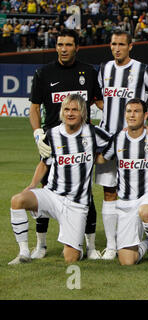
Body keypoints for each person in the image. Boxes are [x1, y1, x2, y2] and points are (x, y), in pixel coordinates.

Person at [29, 29, 104, 260]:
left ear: (76, 47)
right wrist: (37, 134)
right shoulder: (44, 73)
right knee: (45, 191)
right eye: (60, 44)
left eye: (68, 45)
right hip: (54, 143)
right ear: (56, 46)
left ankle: (90, 246)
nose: (63, 48)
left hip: (82, 143)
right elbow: (34, 107)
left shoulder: (89, 72)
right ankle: (41, 245)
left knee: (86, 195)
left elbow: (101, 103)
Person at [8, 94, 110, 265]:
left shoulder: (93, 133)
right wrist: (32, 185)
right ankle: (24, 252)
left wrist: (102, 157)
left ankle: (78, 246)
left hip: (77, 205)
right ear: (62, 111)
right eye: (67, 109)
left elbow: (116, 143)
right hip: (52, 196)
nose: (70, 113)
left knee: (71, 258)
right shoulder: (53, 133)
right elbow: (44, 163)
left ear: (83, 112)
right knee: (18, 200)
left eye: (75, 110)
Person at [96, 30, 148, 260]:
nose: (117, 48)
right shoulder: (104, 69)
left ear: (130, 46)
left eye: (121, 44)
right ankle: (112, 244)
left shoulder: (143, 70)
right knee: (109, 192)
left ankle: (139, 236)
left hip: (135, 141)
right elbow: (99, 98)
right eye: (113, 44)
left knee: (136, 191)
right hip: (107, 139)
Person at [98, 99, 148, 268]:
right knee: (127, 261)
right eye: (129, 111)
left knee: (146, 211)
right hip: (125, 203)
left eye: (136, 111)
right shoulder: (117, 139)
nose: (132, 115)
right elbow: (103, 158)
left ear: (145, 115)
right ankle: (147, 244)